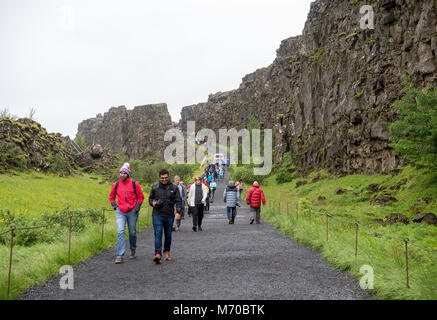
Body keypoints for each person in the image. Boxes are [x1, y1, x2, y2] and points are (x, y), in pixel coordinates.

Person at [109, 163, 144, 264]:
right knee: (120, 231)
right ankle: (120, 255)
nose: (122, 175)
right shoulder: (115, 185)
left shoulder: (134, 184)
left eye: (124, 173)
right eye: (121, 173)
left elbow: (140, 197)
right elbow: (111, 197)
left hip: (132, 211)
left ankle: (133, 249)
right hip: (120, 211)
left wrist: (136, 208)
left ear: (128, 174)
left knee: (132, 232)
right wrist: (115, 206)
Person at [148, 169, 183, 264]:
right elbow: (150, 199)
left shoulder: (174, 188)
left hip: (169, 215)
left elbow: (179, 201)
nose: (164, 179)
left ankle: (167, 252)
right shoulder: (154, 187)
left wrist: (178, 212)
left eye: (166, 178)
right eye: (162, 178)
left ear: (169, 177)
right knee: (158, 234)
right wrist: (153, 203)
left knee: (168, 235)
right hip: (157, 215)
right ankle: (157, 254)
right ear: (159, 177)